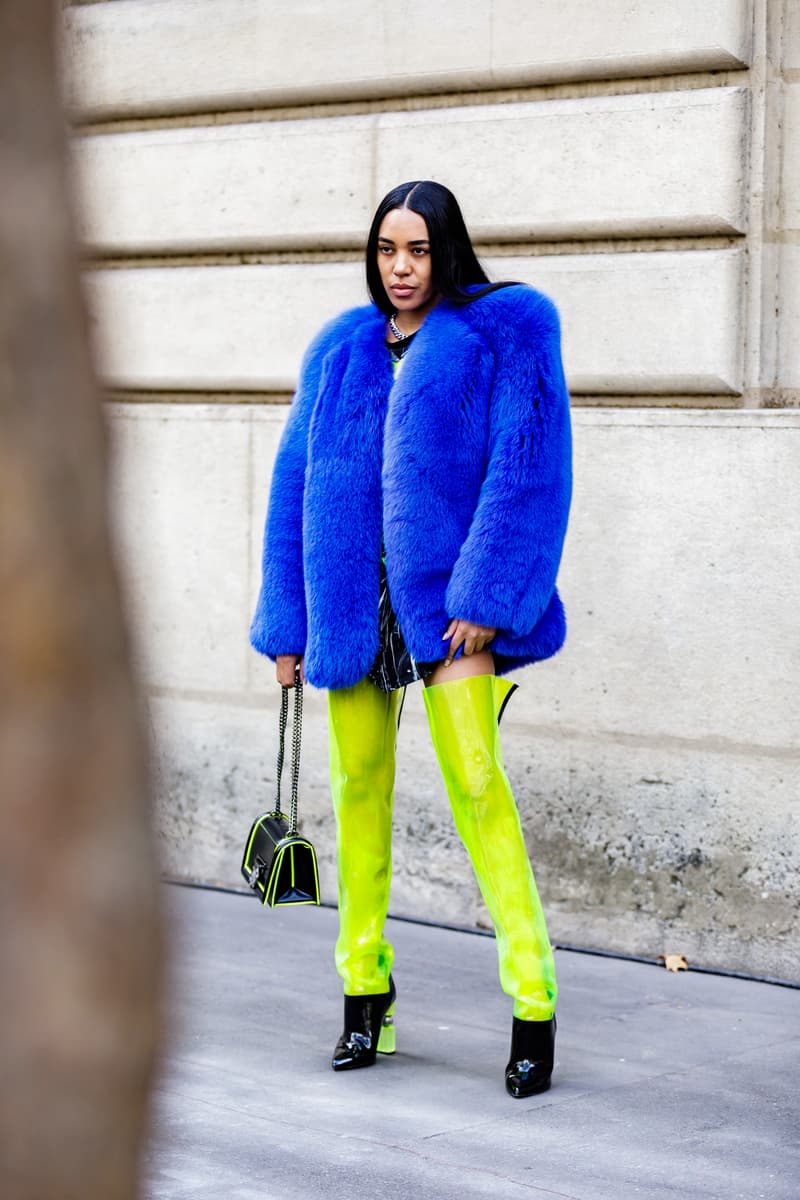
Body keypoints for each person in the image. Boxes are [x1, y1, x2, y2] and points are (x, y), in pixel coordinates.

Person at [250, 180, 572, 1098]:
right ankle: (363, 994)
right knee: (356, 791)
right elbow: (293, 486)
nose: (401, 268)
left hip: (452, 605)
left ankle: (533, 1000)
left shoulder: (506, 329)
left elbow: (530, 466)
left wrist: (489, 593)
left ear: (448, 251)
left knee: (477, 784)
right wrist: (288, 621)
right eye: (388, 250)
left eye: (419, 251)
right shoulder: (340, 350)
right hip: (352, 601)